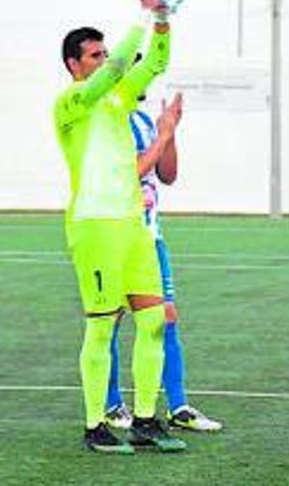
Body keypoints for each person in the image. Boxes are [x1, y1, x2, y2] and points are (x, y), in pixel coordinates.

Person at [53, 0, 185, 454]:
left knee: (152, 320)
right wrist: (145, 9)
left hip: (132, 226)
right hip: (94, 226)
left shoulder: (118, 98)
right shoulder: (71, 103)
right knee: (103, 324)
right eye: (95, 55)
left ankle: (146, 420)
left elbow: (155, 61)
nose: (106, 60)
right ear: (74, 64)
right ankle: (95, 425)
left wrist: (164, 18)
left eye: (105, 52)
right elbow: (122, 65)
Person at [104, 93, 223, 432]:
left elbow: (166, 174)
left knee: (166, 317)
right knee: (110, 320)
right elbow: (127, 174)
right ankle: (112, 404)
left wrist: (169, 132)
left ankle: (178, 405)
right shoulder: (104, 120)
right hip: (112, 237)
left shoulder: (142, 120)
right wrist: (163, 136)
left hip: (150, 237)